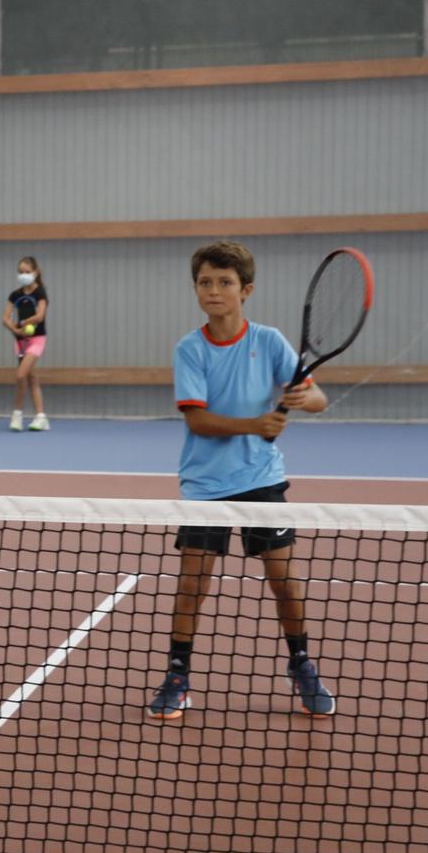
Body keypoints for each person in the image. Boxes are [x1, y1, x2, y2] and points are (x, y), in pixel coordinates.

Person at [148, 240, 333, 723]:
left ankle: (302, 664)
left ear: (245, 290)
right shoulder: (190, 349)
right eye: (205, 282)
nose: (214, 291)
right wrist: (256, 424)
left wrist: (301, 396)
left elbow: (318, 400)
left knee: (284, 582)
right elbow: (199, 422)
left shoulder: (268, 341)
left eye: (225, 283)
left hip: (261, 481)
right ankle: (177, 675)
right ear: (196, 289)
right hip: (206, 485)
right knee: (193, 583)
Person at [4, 256, 50, 432]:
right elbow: (5, 318)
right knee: (31, 378)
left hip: (37, 340)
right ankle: (41, 417)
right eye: (21, 272)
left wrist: (24, 323)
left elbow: (40, 316)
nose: (24, 275)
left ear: (35, 272)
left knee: (21, 375)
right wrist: (14, 330)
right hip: (20, 341)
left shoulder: (40, 293)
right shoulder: (15, 295)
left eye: (27, 272)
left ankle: (17, 414)